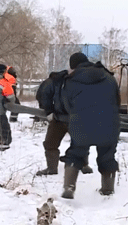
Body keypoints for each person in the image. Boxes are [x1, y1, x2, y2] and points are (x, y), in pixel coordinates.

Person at [60, 52, 121, 199]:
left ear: (73, 66)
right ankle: (107, 189)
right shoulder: (108, 76)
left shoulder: (71, 80)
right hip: (108, 122)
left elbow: (66, 104)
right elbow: (117, 100)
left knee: (75, 153)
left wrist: (76, 115)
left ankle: (69, 187)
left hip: (81, 122)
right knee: (107, 155)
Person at [35, 69, 93, 176]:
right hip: (66, 118)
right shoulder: (58, 81)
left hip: (64, 118)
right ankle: (80, 165)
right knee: (53, 143)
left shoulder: (57, 80)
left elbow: (42, 94)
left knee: (52, 143)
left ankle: (56, 167)